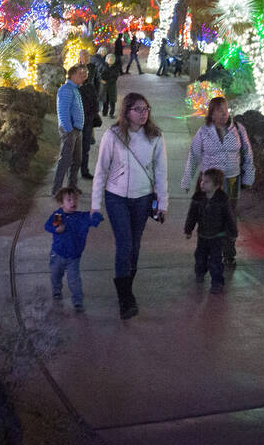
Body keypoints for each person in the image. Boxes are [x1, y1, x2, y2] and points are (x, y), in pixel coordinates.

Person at [91, 92, 168, 319]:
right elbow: (101, 170)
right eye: (138, 109)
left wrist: (162, 204)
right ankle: (125, 298)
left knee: (134, 246)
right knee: (124, 244)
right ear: (126, 111)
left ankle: (126, 287)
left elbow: (161, 172)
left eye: (146, 109)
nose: (144, 114)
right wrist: (95, 204)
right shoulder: (113, 135)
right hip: (116, 197)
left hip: (143, 198)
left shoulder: (155, 136)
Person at [179, 96, 255, 268]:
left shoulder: (238, 129)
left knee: (229, 216)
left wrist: (249, 176)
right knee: (208, 216)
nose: (224, 114)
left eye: (226, 110)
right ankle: (207, 252)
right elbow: (194, 155)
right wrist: (186, 180)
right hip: (210, 182)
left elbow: (248, 154)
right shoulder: (204, 131)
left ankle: (228, 253)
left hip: (231, 179)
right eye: (219, 111)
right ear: (211, 114)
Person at [45, 187, 103, 312]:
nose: (73, 202)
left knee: (74, 279)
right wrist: (57, 229)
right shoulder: (58, 215)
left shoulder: (82, 217)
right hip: (58, 254)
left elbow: (95, 219)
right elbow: (49, 226)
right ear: (61, 203)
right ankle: (56, 290)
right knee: (55, 274)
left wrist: (95, 212)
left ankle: (77, 301)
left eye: (75, 199)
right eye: (69, 200)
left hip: (74, 256)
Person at [184, 168, 238, 294]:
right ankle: (200, 272)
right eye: (202, 181)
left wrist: (232, 233)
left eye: (206, 182)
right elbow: (192, 215)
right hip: (202, 235)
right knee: (200, 257)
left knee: (215, 260)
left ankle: (217, 282)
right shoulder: (198, 198)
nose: (202, 183)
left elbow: (229, 217)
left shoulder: (222, 200)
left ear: (217, 185)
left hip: (217, 236)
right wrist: (188, 229)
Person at [51, 64, 87, 196]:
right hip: (70, 131)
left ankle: (72, 186)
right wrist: (69, 130)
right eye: (79, 74)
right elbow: (63, 112)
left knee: (76, 160)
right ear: (72, 75)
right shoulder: (66, 89)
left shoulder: (75, 89)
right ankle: (57, 190)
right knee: (65, 160)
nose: (82, 76)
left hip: (77, 130)